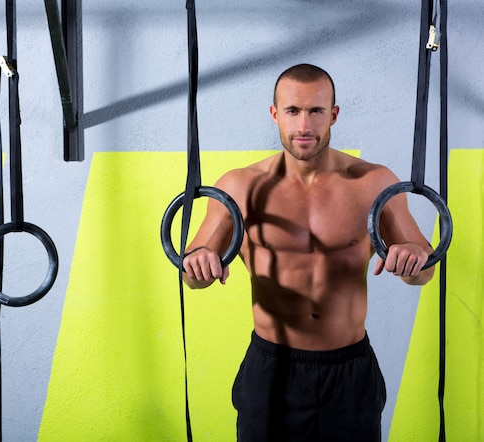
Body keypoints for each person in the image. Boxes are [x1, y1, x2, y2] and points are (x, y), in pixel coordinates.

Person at [182, 63, 435, 441]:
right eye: (293, 111)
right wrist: (198, 264)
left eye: (316, 111)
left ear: (333, 114)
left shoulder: (374, 183)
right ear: (275, 114)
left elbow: (423, 270)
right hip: (272, 368)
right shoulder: (239, 187)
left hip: (349, 371)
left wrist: (412, 258)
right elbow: (191, 273)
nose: (304, 126)